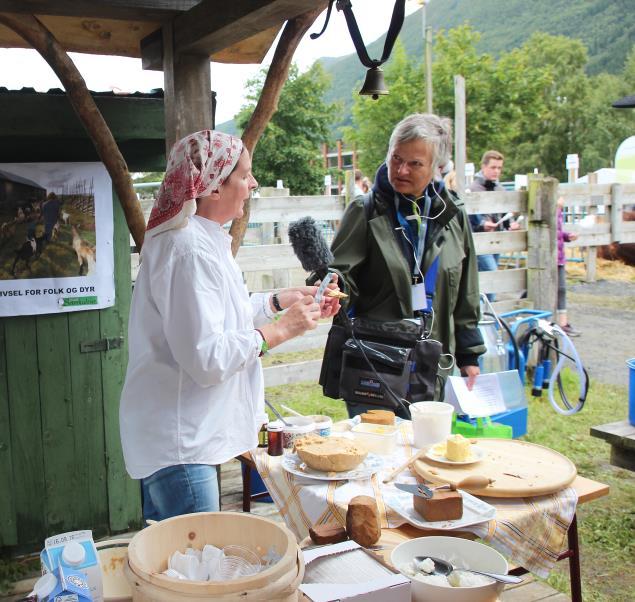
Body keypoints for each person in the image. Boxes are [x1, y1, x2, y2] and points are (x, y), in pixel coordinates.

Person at [119, 130, 340, 522]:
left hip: (187, 437)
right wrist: (282, 329)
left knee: (186, 564)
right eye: (245, 175)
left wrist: (278, 302)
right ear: (212, 188)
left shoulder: (202, 241)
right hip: (183, 444)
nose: (252, 184)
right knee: (197, 570)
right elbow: (208, 359)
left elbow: (222, 317)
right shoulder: (187, 250)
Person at [323, 113, 485, 418]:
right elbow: (342, 273)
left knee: (424, 451)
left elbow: (466, 289)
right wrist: (333, 284)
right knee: (378, 454)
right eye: (396, 158)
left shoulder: (454, 216)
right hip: (376, 362)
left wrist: (469, 353)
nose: (400, 170)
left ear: (437, 168)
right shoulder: (365, 211)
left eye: (414, 163)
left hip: (432, 363)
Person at [467, 150, 520, 300]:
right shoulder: (472, 189)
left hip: (497, 241)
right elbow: (467, 220)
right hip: (479, 242)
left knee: (487, 280)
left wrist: (511, 224)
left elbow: (505, 216)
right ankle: (487, 315)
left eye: (499, 168)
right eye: (493, 167)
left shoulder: (500, 189)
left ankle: (486, 314)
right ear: (483, 167)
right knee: (492, 275)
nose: (496, 171)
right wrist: (482, 225)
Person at [556, 196, 580, 337]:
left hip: (559, 256)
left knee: (561, 289)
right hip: (552, 257)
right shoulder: (551, 211)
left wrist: (566, 236)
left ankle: (563, 323)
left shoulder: (557, 212)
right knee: (559, 289)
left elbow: (557, 232)